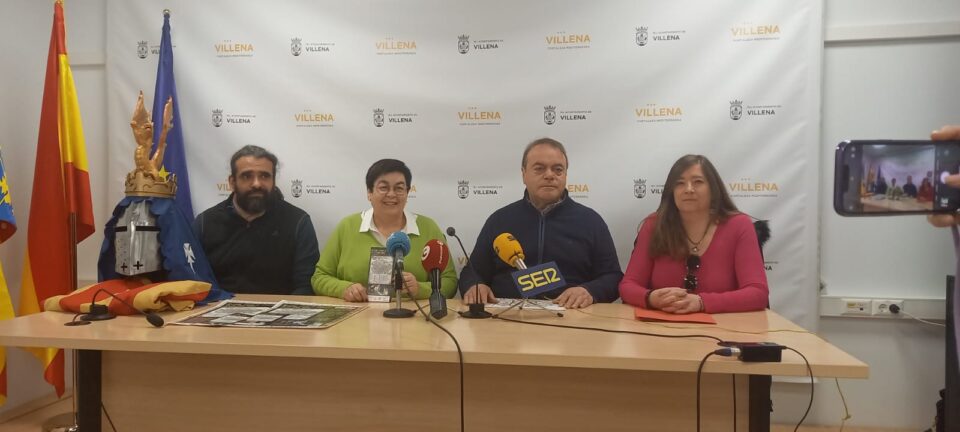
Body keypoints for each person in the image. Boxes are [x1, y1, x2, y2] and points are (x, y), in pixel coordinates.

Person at [457, 138, 622, 309]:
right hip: (506, 315)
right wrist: (475, 285)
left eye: (558, 169)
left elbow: (613, 277)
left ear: (565, 175)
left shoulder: (591, 221)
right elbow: (472, 272)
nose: (549, 175)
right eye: (539, 168)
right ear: (524, 174)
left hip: (571, 315)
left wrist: (590, 291)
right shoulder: (499, 220)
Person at [619, 154, 768, 314]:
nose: (688, 189)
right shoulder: (654, 225)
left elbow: (758, 294)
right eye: (680, 183)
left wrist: (702, 302)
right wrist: (651, 298)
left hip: (724, 326)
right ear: (672, 191)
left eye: (698, 182)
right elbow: (628, 286)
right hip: (662, 325)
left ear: (713, 189)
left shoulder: (738, 225)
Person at [312, 159, 457, 301]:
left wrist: (421, 289)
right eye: (383, 187)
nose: (392, 194)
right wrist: (344, 288)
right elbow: (319, 277)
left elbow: (449, 281)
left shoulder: (428, 227)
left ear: (407, 193)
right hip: (358, 313)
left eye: (399, 188)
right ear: (369, 192)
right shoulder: (347, 226)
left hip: (413, 314)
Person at [193, 145, 319, 295]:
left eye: (265, 176)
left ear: (273, 181)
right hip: (218, 306)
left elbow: (305, 286)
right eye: (247, 176)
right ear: (232, 182)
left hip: (282, 308)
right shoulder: (204, 224)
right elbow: (195, 280)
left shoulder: (298, 222)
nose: (257, 184)